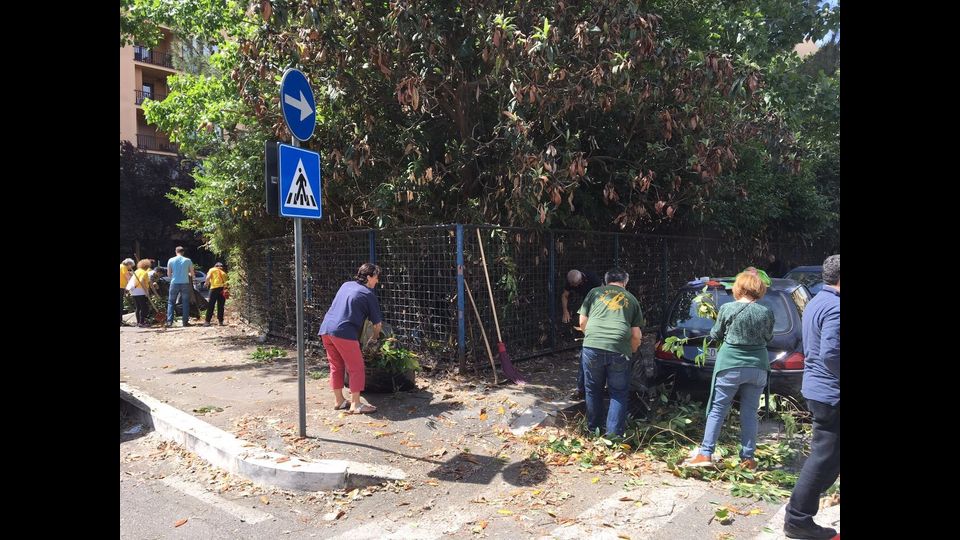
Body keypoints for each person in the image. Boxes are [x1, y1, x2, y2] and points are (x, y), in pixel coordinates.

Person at [684, 269, 774, 470]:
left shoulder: (727, 308)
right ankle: (748, 458)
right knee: (750, 413)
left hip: (731, 365)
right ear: (759, 288)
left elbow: (716, 334)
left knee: (718, 409)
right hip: (758, 366)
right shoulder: (766, 311)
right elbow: (769, 338)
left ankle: (706, 453)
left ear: (739, 287)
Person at [783, 254, 839, 540]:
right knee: (823, 455)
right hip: (832, 391)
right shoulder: (837, 308)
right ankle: (798, 518)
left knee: (830, 455)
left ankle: (803, 507)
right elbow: (832, 353)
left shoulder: (817, 300)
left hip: (818, 387)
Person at [578, 268, 643, 437]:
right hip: (619, 350)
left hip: (592, 347)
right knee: (619, 393)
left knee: (592, 390)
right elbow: (636, 335)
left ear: (606, 281)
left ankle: (594, 431)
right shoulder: (632, 299)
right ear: (625, 282)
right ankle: (613, 438)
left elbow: (582, 321)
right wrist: (632, 351)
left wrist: (594, 338)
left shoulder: (594, 292)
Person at [318, 263, 383, 414]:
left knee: (336, 365)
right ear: (368, 277)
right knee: (356, 367)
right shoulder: (368, 294)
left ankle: (339, 401)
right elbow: (377, 324)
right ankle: (356, 404)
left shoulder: (346, 285)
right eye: (376, 277)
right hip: (343, 332)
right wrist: (374, 338)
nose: (377, 281)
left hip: (326, 329)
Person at [562, 269, 603, 397]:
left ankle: (587, 388)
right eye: (573, 286)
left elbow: (603, 294)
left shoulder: (592, 277)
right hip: (587, 310)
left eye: (576, 285)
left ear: (581, 280)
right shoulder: (571, 280)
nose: (575, 287)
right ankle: (582, 389)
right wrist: (565, 311)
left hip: (598, 306)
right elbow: (564, 295)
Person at [165, 246, 195, 327]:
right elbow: (192, 274)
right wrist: (188, 274)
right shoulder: (188, 260)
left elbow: (168, 274)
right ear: (183, 252)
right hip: (185, 282)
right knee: (185, 302)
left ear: (176, 251)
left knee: (171, 302)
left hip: (174, 282)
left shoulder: (171, 260)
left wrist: (174, 276)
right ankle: (185, 322)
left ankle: (169, 322)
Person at [126, 259, 153, 327]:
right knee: (144, 307)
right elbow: (141, 281)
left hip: (134, 291)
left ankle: (139, 322)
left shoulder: (137, 271)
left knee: (138, 307)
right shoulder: (144, 272)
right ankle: (142, 322)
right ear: (147, 266)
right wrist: (146, 291)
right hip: (140, 291)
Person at [204, 262, 229, 326]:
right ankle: (220, 322)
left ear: (215, 266)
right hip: (222, 289)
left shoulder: (212, 269)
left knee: (211, 305)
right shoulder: (224, 273)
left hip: (214, 289)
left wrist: (206, 283)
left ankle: (207, 321)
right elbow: (226, 283)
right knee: (221, 306)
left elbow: (208, 277)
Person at [120, 258, 135, 325]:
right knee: (120, 304)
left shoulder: (120, 266)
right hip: (120, 286)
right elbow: (127, 277)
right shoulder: (123, 267)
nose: (131, 267)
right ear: (128, 264)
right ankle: (120, 321)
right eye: (131, 266)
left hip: (121, 286)